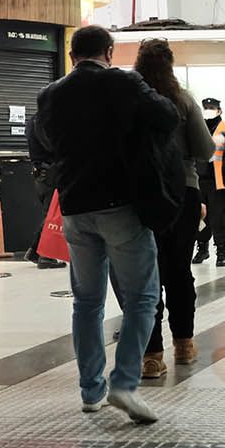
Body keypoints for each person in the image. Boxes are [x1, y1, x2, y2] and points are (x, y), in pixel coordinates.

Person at [36, 25, 177, 424]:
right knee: (142, 299)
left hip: (75, 210)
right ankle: (124, 383)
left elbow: (45, 142)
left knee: (87, 301)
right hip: (122, 206)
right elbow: (166, 117)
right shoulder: (125, 83)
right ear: (109, 52)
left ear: (72, 55)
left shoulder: (51, 94)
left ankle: (90, 391)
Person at [133, 39, 216, 379]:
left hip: (140, 195)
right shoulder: (182, 100)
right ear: (169, 66)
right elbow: (205, 149)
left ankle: (152, 355)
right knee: (179, 270)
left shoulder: (131, 101)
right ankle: (183, 343)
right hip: (183, 192)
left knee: (146, 272)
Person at [23, 114, 66, 269]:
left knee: (50, 214)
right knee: (52, 215)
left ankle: (36, 251)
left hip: (41, 173)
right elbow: (52, 147)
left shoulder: (33, 120)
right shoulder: (45, 121)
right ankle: (45, 256)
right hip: (50, 173)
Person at [194, 98, 225, 266]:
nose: (208, 110)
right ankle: (202, 248)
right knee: (199, 216)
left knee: (219, 217)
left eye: (212, 108)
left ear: (219, 110)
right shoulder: (196, 126)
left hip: (219, 181)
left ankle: (221, 251)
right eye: (206, 108)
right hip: (198, 179)